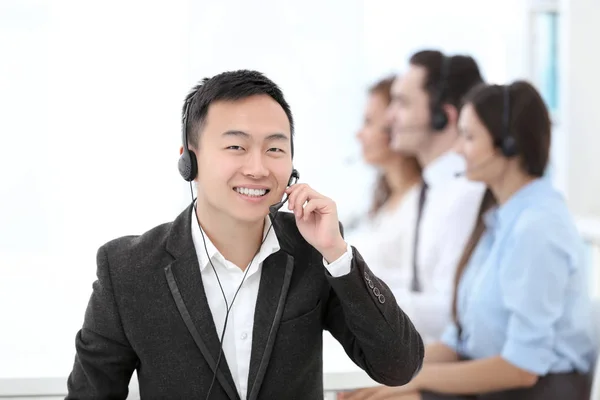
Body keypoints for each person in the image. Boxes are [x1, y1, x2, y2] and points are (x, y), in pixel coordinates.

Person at [65, 70, 424, 400]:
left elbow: (398, 367)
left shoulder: (312, 250)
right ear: (189, 161)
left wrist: (337, 252)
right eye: (236, 147)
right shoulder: (128, 269)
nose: (257, 168)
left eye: (275, 149)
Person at [340, 81, 596, 400]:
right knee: (365, 390)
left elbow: (521, 367)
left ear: (510, 145)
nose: (458, 149)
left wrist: (415, 380)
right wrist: (390, 370)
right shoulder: (498, 219)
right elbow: (460, 339)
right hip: (491, 383)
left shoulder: (537, 227)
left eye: (469, 137)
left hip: (529, 391)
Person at [382, 50, 486, 343]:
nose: (390, 117)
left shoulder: (467, 193)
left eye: (402, 103)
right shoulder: (430, 188)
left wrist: (361, 298)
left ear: (444, 115)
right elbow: (417, 284)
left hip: (449, 360)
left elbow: (449, 309)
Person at [349, 75, 422, 299]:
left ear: (394, 127)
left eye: (369, 122)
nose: (359, 134)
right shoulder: (386, 202)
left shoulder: (419, 204)